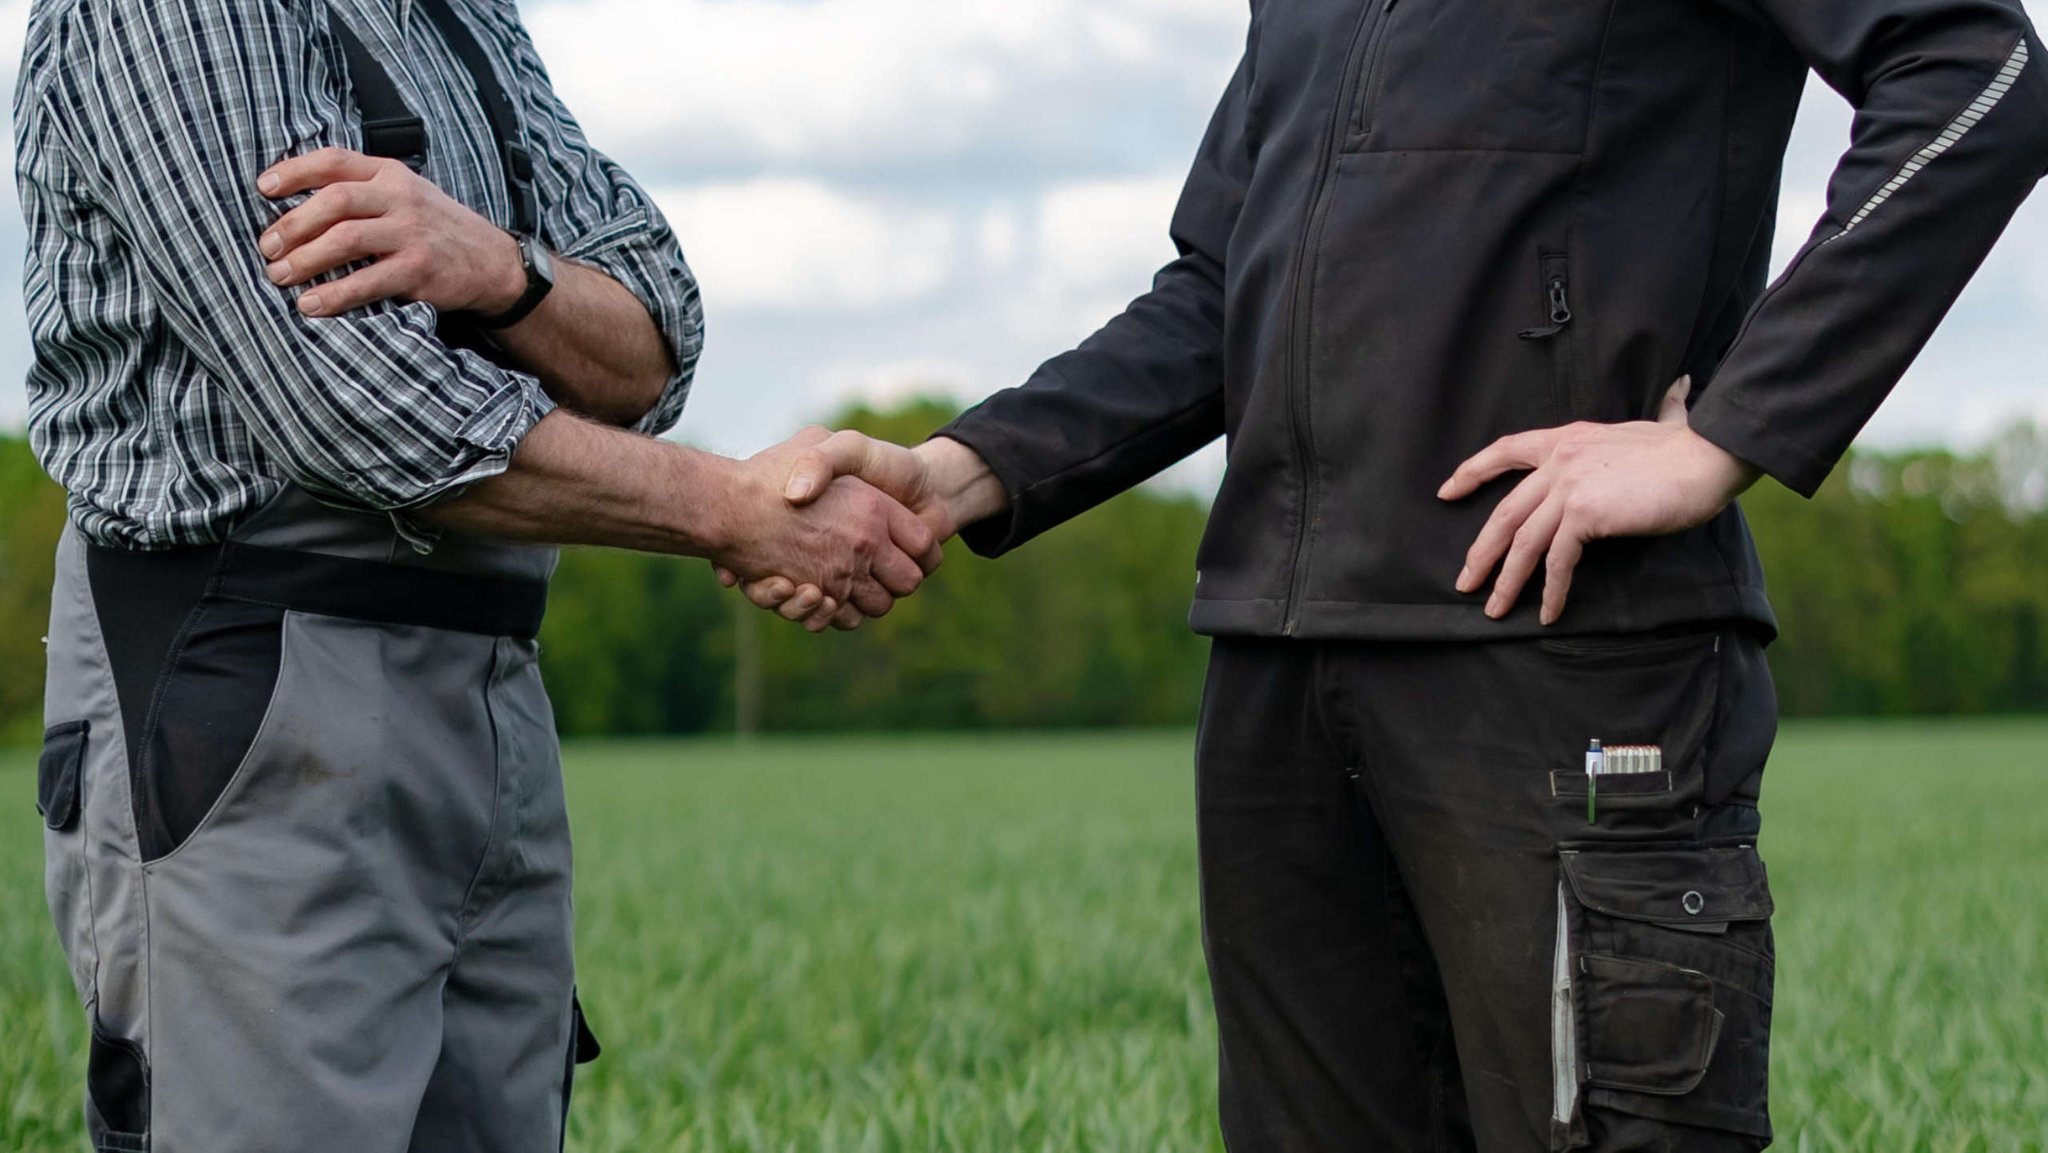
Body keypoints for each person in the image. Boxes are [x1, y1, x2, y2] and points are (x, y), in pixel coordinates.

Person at [732, 0, 2048, 1146]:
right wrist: (962, 471)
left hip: (1558, 661)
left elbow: (1976, 75)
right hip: (1279, 684)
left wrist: (1725, 437)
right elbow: (1216, 289)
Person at [18, 1, 937, 1149]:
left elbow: (654, 329)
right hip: (250, 676)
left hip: (490, 678)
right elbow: (350, 405)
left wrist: (496, 265)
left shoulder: (459, 10)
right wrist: (735, 514)